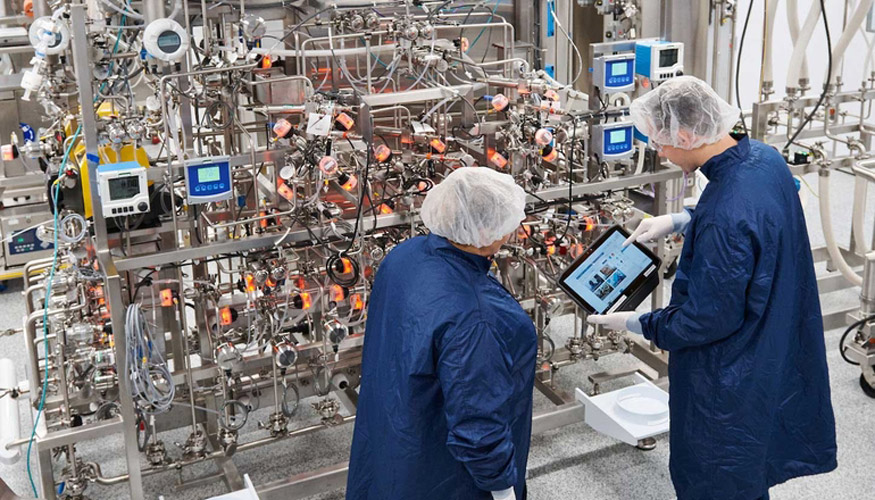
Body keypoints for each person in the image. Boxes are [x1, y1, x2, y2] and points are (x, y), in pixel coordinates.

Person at [588, 76, 837, 500]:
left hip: (727, 378)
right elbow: (759, 214)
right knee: (749, 473)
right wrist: (686, 218)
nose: (660, 153)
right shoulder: (763, 158)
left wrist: (637, 323)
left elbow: (705, 320)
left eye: (660, 142)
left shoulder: (725, 216)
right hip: (773, 343)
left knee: (717, 478)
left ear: (685, 134)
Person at [346, 167, 537, 500]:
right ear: (485, 230)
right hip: (440, 473)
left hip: (393, 432)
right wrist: (503, 489)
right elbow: (478, 424)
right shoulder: (477, 318)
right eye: (508, 220)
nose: (514, 227)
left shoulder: (404, 255)